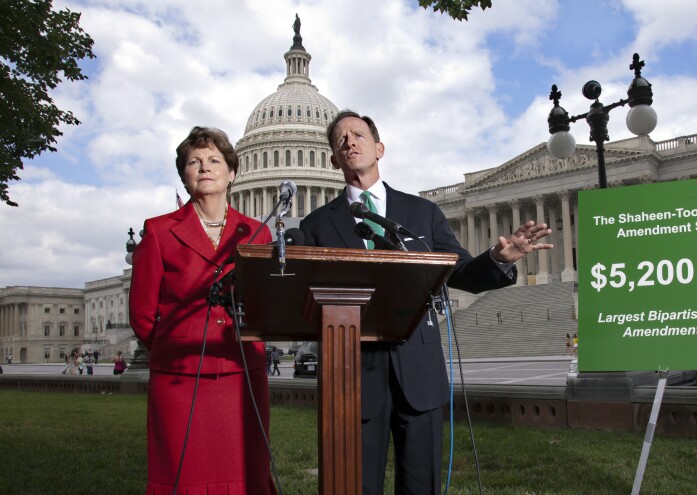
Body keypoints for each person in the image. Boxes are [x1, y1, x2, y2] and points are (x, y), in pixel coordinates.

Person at [299, 110, 553, 495]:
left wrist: (499, 259)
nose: (350, 141)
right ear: (335, 159)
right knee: (355, 485)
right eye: (340, 140)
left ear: (379, 148)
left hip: (418, 369)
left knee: (422, 485)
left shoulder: (421, 213)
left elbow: (460, 271)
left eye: (358, 135)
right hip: (351, 373)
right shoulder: (317, 225)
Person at [129, 126, 276, 494]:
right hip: (179, 375)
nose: (205, 168)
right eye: (194, 162)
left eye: (214, 160)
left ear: (232, 173)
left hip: (241, 371)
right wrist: (178, 343)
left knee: (246, 468)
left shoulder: (257, 233)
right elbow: (143, 314)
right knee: (182, 471)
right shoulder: (159, 231)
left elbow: (264, 304)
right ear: (185, 174)